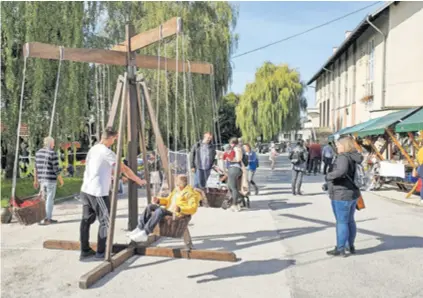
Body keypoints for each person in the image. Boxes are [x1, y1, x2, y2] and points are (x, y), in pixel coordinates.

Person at [79, 127, 146, 260]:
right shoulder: (107, 152)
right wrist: (138, 180)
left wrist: (113, 175)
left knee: (86, 220)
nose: (115, 141)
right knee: (106, 221)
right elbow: (124, 169)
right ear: (110, 138)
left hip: (85, 190)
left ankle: (85, 250)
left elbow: (98, 167)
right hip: (97, 192)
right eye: (114, 139)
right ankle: (101, 252)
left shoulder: (94, 149)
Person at [128, 174, 201, 243]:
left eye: (177, 184)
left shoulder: (191, 194)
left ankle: (145, 232)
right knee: (150, 207)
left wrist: (180, 209)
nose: (176, 185)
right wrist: (158, 200)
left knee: (160, 210)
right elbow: (168, 200)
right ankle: (139, 228)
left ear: (182, 184)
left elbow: (193, 208)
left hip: (177, 213)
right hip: (169, 209)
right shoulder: (176, 190)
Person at [325, 136, 363, 257]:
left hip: (341, 193)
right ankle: (350, 245)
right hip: (352, 193)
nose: (337, 147)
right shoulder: (354, 156)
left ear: (345, 145)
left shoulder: (343, 157)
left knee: (341, 222)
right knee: (350, 220)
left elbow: (340, 171)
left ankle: (340, 248)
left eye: (339, 145)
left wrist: (329, 176)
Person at [34, 137, 64, 225]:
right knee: (49, 199)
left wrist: (35, 180)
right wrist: (61, 180)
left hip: (41, 180)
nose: (54, 145)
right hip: (50, 180)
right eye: (53, 143)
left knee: (43, 199)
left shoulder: (38, 153)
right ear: (51, 144)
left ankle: (41, 218)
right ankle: (47, 219)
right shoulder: (52, 153)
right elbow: (56, 169)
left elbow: (35, 168)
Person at [227, 138, 244, 211]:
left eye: (231, 143)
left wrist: (229, 158)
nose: (230, 145)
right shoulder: (236, 148)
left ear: (233, 143)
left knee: (233, 187)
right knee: (231, 186)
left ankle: (235, 204)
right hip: (234, 169)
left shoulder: (237, 149)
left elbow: (238, 159)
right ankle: (238, 202)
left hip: (234, 168)